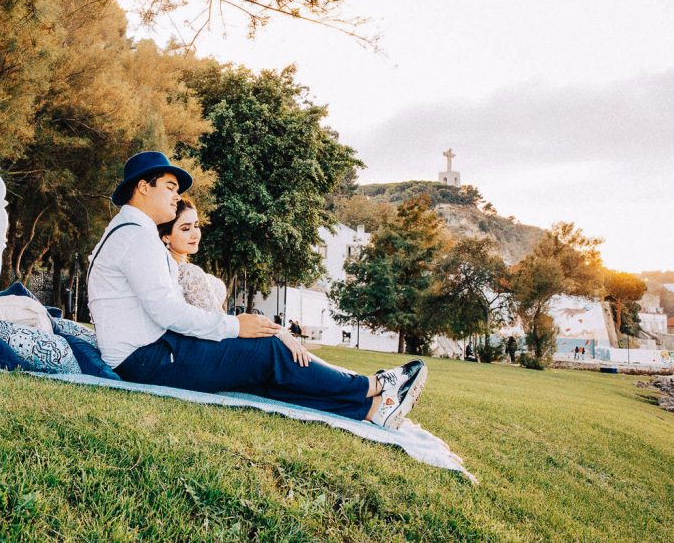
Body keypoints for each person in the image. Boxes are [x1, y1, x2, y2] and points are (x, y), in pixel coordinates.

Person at [87, 151, 428, 429]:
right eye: (170, 186)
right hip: (148, 358)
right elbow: (168, 312)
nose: (177, 196)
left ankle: (370, 411)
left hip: (152, 351)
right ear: (143, 188)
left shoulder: (133, 230)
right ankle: (375, 385)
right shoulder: (135, 234)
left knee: (260, 378)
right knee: (268, 351)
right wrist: (236, 327)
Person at [158, 198, 311, 366]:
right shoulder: (186, 272)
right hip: (211, 352)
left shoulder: (179, 268)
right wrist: (280, 332)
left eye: (196, 225)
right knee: (279, 349)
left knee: (294, 354)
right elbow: (219, 323)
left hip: (215, 342)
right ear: (166, 236)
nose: (195, 233)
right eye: (186, 228)